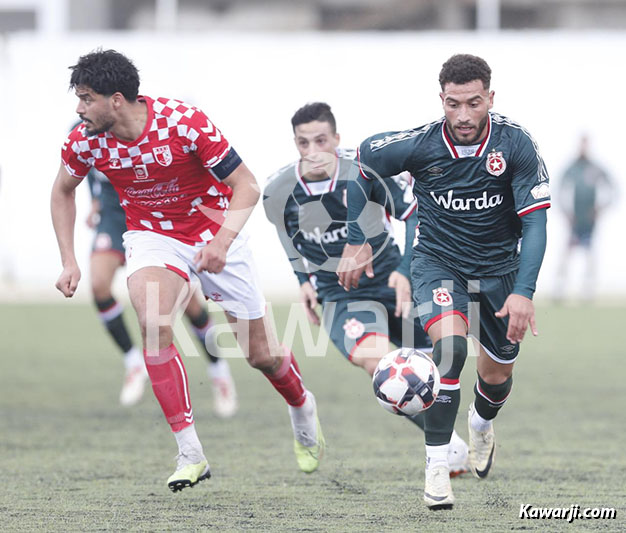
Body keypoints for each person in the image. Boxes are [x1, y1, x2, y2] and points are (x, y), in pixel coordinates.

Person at [51, 49, 325, 492]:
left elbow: (247, 186)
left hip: (214, 231)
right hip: (151, 237)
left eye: (86, 98)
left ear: (116, 99)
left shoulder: (184, 123)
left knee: (261, 356)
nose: (79, 109)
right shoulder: (85, 139)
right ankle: (190, 452)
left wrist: (220, 244)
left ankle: (301, 404)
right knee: (154, 321)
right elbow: (62, 191)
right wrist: (69, 259)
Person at [338, 54, 550, 510]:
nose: (464, 115)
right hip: (438, 264)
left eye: (474, 103)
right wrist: (358, 240)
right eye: (454, 104)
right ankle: (436, 470)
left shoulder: (516, 145)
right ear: (442, 100)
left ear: (490, 98)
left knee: (495, 379)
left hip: (499, 272)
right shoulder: (418, 144)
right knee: (449, 353)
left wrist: (523, 293)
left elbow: (535, 224)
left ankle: (479, 424)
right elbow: (360, 164)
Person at [263, 102, 469, 476]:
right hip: (341, 295)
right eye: (303, 143)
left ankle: (455, 433)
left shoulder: (368, 172)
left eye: (320, 140)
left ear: (336, 139)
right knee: (385, 368)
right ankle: (447, 446)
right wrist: (303, 282)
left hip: (393, 281)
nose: (312, 151)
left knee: (438, 366)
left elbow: (415, 215)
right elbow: (285, 232)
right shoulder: (280, 190)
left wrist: (406, 271)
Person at [85, 163, 238, 415]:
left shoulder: (149, 131)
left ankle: (219, 372)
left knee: (189, 304)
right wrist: (93, 202)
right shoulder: (86, 133)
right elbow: (85, 172)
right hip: (113, 217)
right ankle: (134, 364)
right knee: (98, 284)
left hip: (152, 220)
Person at [554, 134, 616, 303]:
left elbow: (612, 189)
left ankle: (587, 292)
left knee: (590, 257)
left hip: (589, 223)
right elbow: (559, 190)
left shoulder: (595, 168)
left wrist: (601, 208)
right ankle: (559, 291)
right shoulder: (572, 168)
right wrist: (565, 213)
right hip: (574, 223)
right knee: (566, 256)